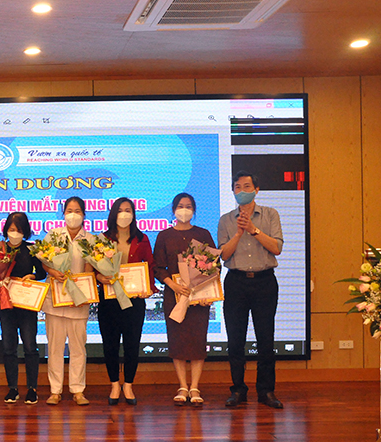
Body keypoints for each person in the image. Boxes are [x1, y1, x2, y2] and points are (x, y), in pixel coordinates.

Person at [218, 171, 284, 409]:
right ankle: (238, 390)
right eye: (237, 187)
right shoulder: (226, 220)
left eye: (247, 186)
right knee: (235, 340)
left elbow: (276, 248)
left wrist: (253, 229)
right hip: (236, 282)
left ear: (256, 190)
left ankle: (266, 391)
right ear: (233, 191)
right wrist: (239, 232)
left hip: (264, 281)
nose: (242, 190)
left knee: (265, 339)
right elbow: (224, 255)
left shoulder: (270, 214)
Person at [153, 193, 214, 405]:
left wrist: (206, 292)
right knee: (177, 339)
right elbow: (158, 267)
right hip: (174, 295)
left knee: (198, 340)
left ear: (194, 210)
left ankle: (195, 387)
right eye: (180, 206)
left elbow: (212, 265)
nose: (184, 210)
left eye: (188, 206)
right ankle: (182, 386)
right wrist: (173, 285)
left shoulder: (203, 234)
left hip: (199, 296)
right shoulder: (164, 236)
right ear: (173, 210)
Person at [96, 197, 154, 406]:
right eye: (120, 210)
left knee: (132, 344)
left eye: (128, 210)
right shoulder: (102, 239)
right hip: (109, 300)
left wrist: (148, 287)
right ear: (113, 214)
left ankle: (128, 384)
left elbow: (150, 266)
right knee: (110, 345)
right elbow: (93, 269)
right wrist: (98, 277)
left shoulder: (142, 238)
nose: (124, 214)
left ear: (133, 214)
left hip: (134, 301)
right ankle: (114, 384)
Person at [41, 196, 95, 406]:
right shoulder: (53, 235)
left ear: (84, 214)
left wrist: (84, 291)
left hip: (79, 301)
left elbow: (90, 268)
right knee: (54, 347)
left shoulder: (90, 239)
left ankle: (78, 390)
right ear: (63, 213)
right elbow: (44, 262)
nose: (73, 215)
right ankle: (55, 390)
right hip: (56, 299)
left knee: (78, 348)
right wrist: (53, 271)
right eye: (69, 211)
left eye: (77, 211)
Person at [0, 212, 46, 404]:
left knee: (30, 346)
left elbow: (42, 273)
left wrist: (32, 277)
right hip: (7, 305)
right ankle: (12, 388)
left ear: (25, 231)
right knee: (8, 347)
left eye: (18, 230)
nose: (15, 233)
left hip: (27, 305)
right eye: (11, 229)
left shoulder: (31, 249)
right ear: (6, 230)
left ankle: (32, 388)